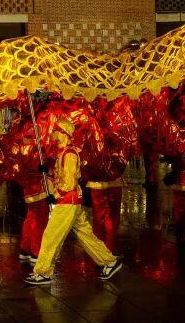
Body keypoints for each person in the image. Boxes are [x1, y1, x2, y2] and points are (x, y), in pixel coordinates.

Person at [26, 119, 122, 285]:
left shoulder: (69, 154)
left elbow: (69, 183)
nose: (53, 133)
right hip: (70, 201)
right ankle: (110, 261)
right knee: (86, 235)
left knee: (51, 236)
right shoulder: (64, 153)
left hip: (67, 202)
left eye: (56, 130)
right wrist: (48, 171)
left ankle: (43, 272)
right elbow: (63, 176)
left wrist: (55, 195)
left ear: (63, 133)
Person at [86, 158, 126, 255]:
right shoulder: (117, 149)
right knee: (112, 218)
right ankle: (108, 249)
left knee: (98, 218)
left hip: (97, 185)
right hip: (114, 184)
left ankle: (99, 250)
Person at [18, 168, 50, 264]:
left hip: (29, 186)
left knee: (31, 217)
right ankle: (36, 251)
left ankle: (25, 249)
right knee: (39, 220)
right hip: (39, 186)